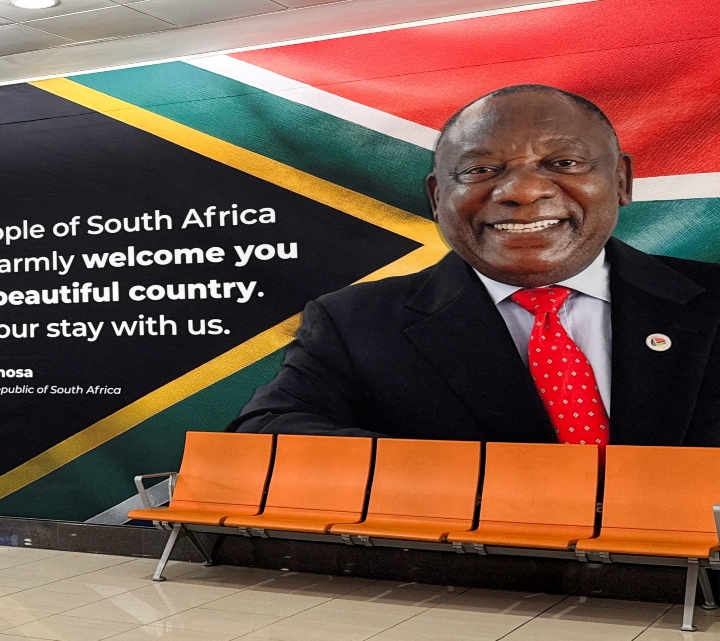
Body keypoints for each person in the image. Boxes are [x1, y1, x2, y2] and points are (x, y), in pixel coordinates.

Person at [231, 85, 720, 447]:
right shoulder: (354, 323)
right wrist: (468, 481)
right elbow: (264, 437)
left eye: (564, 163)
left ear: (621, 181)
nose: (523, 192)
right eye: (481, 170)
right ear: (438, 197)